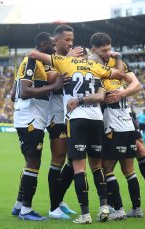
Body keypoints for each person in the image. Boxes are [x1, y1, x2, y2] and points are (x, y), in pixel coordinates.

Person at [28, 46, 126, 224]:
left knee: (79, 168)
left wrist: (62, 56)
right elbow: (120, 74)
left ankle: (85, 215)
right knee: (97, 166)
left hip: (76, 119)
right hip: (96, 120)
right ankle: (104, 207)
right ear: (87, 57)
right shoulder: (96, 67)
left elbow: (32, 54)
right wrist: (118, 57)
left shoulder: (65, 61)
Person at [90, 32, 145, 213]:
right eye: (104, 50)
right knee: (106, 163)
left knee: (139, 151)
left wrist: (123, 93)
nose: (108, 53)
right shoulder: (90, 65)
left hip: (124, 114)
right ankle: (112, 205)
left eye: (110, 49)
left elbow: (136, 84)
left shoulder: (118, 63)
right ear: (94, 50)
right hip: (104, 117)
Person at [11, 32, 71, 221]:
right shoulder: (33, 62)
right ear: (43, 46)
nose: (55, 48)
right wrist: (53, 87)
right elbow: (24, 92)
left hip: (29, 117)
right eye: (53, 45)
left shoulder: (28, 63)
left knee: (32, 162)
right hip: (30, 118)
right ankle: (26, 211)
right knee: (33, 163)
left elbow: (13, 94)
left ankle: (19, 205)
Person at [45, 25, 84, 218]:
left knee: (73, 158)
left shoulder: (72, 58)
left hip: (73, 115)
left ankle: (58, 200)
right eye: (67, 40)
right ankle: (53, 209)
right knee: (59, 158)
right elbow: (52, 79)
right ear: (57, 41)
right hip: (57, 116)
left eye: (72, 40)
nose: (71, 43)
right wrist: (69, 60)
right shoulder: (50, 59)